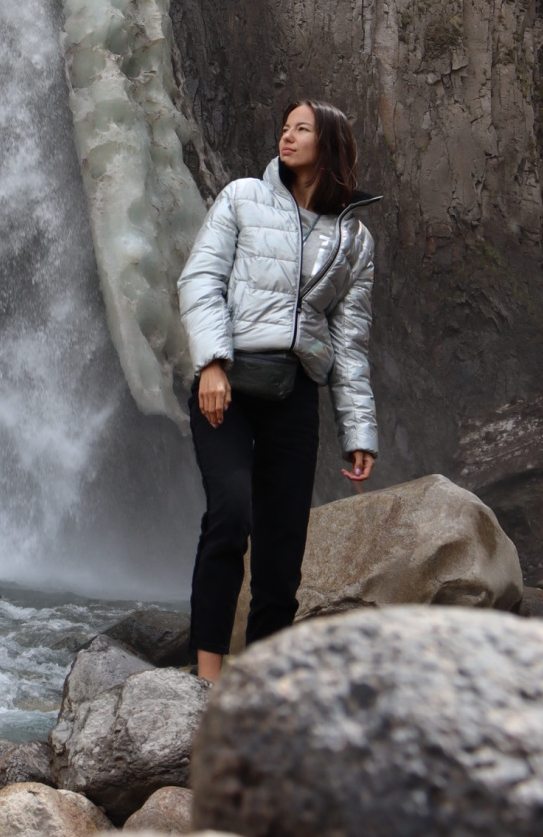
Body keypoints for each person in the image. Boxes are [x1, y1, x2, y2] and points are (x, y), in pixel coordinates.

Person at [177, 99, 379, 683]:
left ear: (331, 142)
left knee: (282, 546)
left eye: (301, 129)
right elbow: (201, 279)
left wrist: (358, 431)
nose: (286, 137)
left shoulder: (355, 241)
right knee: (230, 513)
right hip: (228, 386)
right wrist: (212, 363)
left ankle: (258, 686)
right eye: (285, 127)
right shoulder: (243, 197)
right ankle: (207, 676)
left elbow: (349, 342)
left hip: (295, 396)